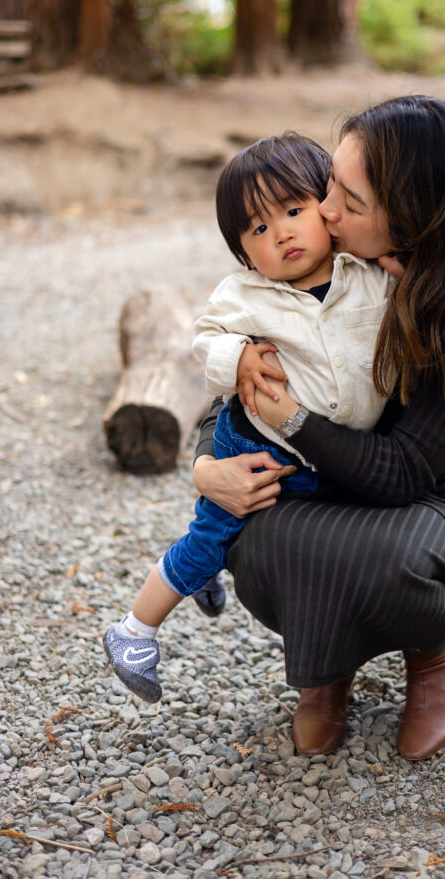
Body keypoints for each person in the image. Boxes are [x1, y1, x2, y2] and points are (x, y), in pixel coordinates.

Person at [192, 96, 445, 760]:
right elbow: (237, 382)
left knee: (392, 562)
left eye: (347, 200)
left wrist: (290, 417)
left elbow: (403, 473)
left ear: (410, 215)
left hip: (435, 503)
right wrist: (206, 468)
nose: (321, 212)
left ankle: (431, 653)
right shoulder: (322, 262)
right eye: (328, 187)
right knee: (256, 545)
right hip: (320, 485)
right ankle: (326, 665)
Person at [103, 134, 388, 702]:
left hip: (328, 451)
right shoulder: (244, 296)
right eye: (258, 228)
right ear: (242, 250)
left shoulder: (368, 273)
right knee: (212, 533)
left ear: (328, 207)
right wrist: (238, 360)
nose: (280, 232)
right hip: (256, 446)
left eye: (293, 210)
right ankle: (134, 630)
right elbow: (204, 342)